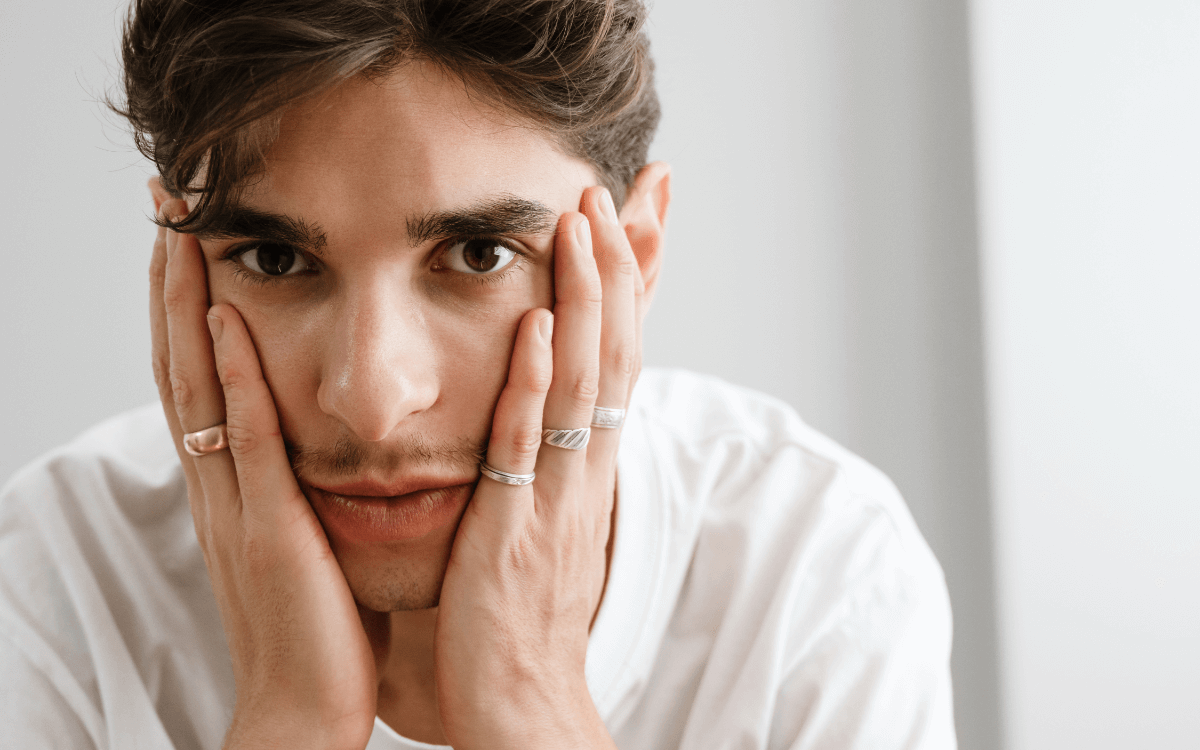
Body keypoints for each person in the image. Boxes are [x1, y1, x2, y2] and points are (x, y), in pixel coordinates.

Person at [0, 1, 957, 748]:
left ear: (639, 251)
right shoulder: (58, 578)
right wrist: (289, 725)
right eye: (276, 259)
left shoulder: (813, 573)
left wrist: (530, 705)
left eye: (479, 254)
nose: (371, 401)